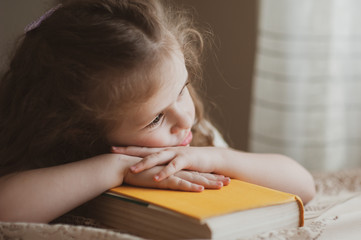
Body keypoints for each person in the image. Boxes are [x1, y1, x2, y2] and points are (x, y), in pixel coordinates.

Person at [0, 0, 315, 223]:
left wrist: (218, 158)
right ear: (80, 132)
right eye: (155, 119)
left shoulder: (194, 142)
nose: (184, 119)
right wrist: (118, 167)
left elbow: (304, 186)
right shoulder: (57, 161)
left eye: (182, 90)